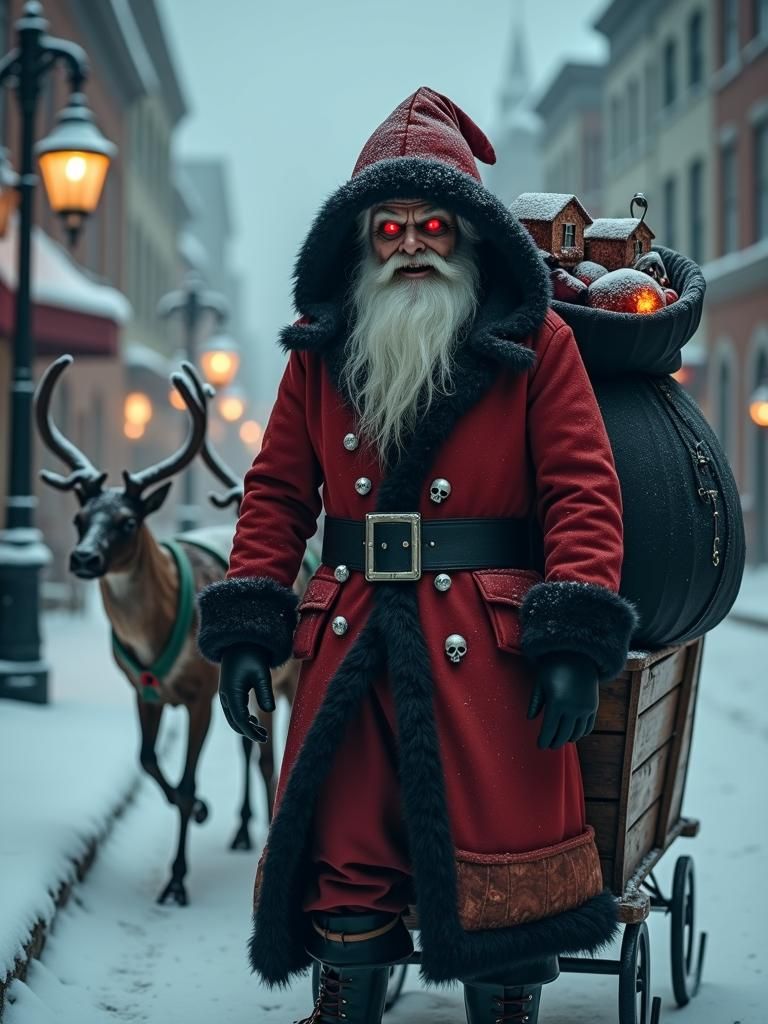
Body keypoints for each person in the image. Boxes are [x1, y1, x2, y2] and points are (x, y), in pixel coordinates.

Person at [197, 87, 637, 1024]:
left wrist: (570, 640)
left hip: (487, 650)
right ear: (360, 240)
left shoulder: (538, 342)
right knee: (344, 854)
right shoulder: (321, 354)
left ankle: (504, 1006)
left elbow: (581, 492)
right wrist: (247, 629)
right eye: (388, 226)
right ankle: (341, 1003)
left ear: (469, 231)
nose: (410, 243)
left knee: (498, 869)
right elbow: (277, 494)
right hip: (351, 635)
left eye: (432, 222)